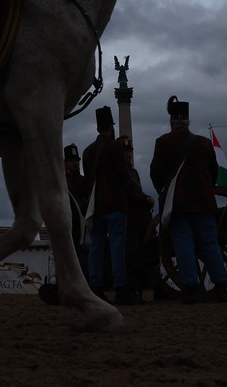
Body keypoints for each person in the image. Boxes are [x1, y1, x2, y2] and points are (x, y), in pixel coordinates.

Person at [149, 96, 227, 304]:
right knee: (210, 242)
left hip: (178, 203)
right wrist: (206, 188)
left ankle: (192, 287)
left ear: (171, 122)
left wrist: (165, 192)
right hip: (204, 201)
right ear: (187, 121)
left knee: (183, 243)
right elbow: (213, 172)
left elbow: (155, 173)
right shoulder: (203, 143)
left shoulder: (163, 142)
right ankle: (221, 286)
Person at [82, 106, 134, 305]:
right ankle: (120, 287)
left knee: (96, 247)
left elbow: (88, 179)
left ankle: (96, 286)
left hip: (96, 206)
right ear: (111, 128)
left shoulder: (87, 151)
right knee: (116, 246)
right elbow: (123, 176)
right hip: (115, 204)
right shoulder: (115, 148)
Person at [120, 135, 155, 304]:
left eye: (130, 152)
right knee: (133, 257)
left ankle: (143, 290)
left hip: (142, 221)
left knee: (144, 258)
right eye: (125, 152)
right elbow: (129, 194)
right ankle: (132, 289)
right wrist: (145, 200)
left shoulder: (133, 172)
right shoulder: (120, 172)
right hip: (131, 221)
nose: (128, 155)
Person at [63, 143, 90, 274]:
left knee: (83, 264)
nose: (75, 163)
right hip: (67, 227)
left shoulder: (84, 181)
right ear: (65, 163)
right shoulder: (61, 183)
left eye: (76, 160)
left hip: (82, 228)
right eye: (71, 160)